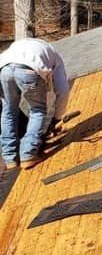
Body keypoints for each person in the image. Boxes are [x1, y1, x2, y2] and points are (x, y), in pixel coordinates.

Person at [0, 38, 69, 169]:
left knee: (8, 110)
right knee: (38, 110)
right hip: (29, 69)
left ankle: (10, 157)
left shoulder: (17, 46)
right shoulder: (54, 56)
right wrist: (57, 118)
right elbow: (62, 90)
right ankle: (28, 154)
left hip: (3, 70)